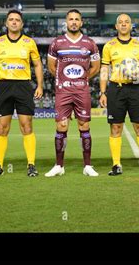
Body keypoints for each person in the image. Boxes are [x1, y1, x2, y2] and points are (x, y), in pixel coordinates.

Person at [0, 10, 43, 177]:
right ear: (6, 23)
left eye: (17, 20)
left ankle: (31, 165)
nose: (14, 22)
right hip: (3, 86)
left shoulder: (29, 42)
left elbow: (38, 65)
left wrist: (39, 85)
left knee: (27, 126)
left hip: (23, 87)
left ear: (22, 24)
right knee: (2, 128)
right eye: (11, 19)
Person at [45, 9, 100, 177]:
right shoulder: (57, 43)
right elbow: (51, 66)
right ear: (66, 22)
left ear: (81, 22)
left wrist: (83, 78)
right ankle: (59, 165)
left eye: (77, 19)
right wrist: (64, 80)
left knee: (84, 126)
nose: (74, 22)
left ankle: (88, 166)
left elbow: (96, 67)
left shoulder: (90, 43)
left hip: (81, 91)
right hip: (63, 91)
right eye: (71, 19)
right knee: (61, 126)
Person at [99, 13, 139, 176]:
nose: (123, 24)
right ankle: (116, 164)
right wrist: (103, 92)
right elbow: (104, 70)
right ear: (116, 26)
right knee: (115, 127)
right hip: (116, 89)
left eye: (126, 22)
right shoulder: (109, 46)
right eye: (120, 22)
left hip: (136, 89)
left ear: (131, 26)